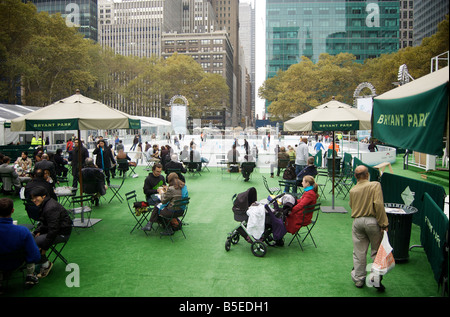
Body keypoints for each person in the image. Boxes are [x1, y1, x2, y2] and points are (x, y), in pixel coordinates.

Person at [349, 165, 388, 291]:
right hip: (372, 221)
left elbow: (351, 205)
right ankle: (375, 278)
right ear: (367, 175)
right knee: (377, 251)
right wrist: (384, 223)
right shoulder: (375, 185)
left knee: (359, 252)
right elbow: (378, 204)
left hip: (357, 221)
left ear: (355, 176)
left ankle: (359, 279)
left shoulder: (353, 190)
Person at [30, 186, 72, 278]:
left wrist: (44, 248)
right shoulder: (45, 204)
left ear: (43, 196)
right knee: (30, 236)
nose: (34, 200)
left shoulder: (50, 207)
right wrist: (38, 231)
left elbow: (53, 230)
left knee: (34, 241)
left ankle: (45, 264)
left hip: (62, 233)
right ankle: (38, 262)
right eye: (32, 198)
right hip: (54, 230)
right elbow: (45, 223)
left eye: (36, 197)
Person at [0, 198, 41, 290]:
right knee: (31, 250)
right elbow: (35, 256)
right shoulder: (23, 231)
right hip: (18, 262)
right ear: (12, 210)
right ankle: (30, 275)